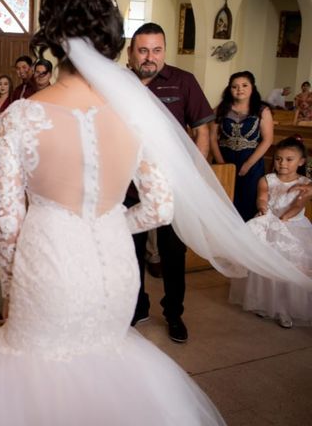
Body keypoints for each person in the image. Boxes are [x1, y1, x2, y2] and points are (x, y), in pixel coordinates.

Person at [0, 0, 231, 426]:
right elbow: (160, 207)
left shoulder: (21, 117)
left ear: (54, 40)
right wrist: (112, 222)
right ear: (110, 40)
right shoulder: (135, 112)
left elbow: (8, 224)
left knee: (36, 371)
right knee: (107, 364)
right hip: (115, 267)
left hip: (49, 265)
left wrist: (10, 291)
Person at [126, 22, 214, 342]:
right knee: (129, 252)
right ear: (131, 52)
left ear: (165, 51)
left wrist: (191, 176)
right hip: (128, 187)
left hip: (170, 188)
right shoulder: (119, 83)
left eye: (157, 50)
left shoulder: (183, 81)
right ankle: (137, 306)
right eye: (143, 50)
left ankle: (174, 313)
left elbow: (202, 131)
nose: (150, 57)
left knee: (172, 255)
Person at [229, 136, 312, 328]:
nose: (282, 163)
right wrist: (264, 209)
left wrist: (285, 219)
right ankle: (264, 302)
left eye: (289, 159)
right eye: (278, 158)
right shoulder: (267, 179)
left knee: (289, 267)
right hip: (270, 223)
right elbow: (262, 198)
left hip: (293, 228)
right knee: (265, 266)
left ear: (301, 161)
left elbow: (299, 204)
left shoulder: (305, 183)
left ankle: (285, 308)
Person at [210, 71, 274, 221]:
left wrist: (248, 164)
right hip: (224, 158)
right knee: (223, 199)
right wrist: (221, 164)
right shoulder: (220, 110)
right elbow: (212, 138)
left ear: (252, 87)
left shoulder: (262, 110)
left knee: (248, 200)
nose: (240, 89)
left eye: (244, 85)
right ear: (229, 89)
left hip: (251, 160)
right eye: (235, 86)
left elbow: (268, 140)